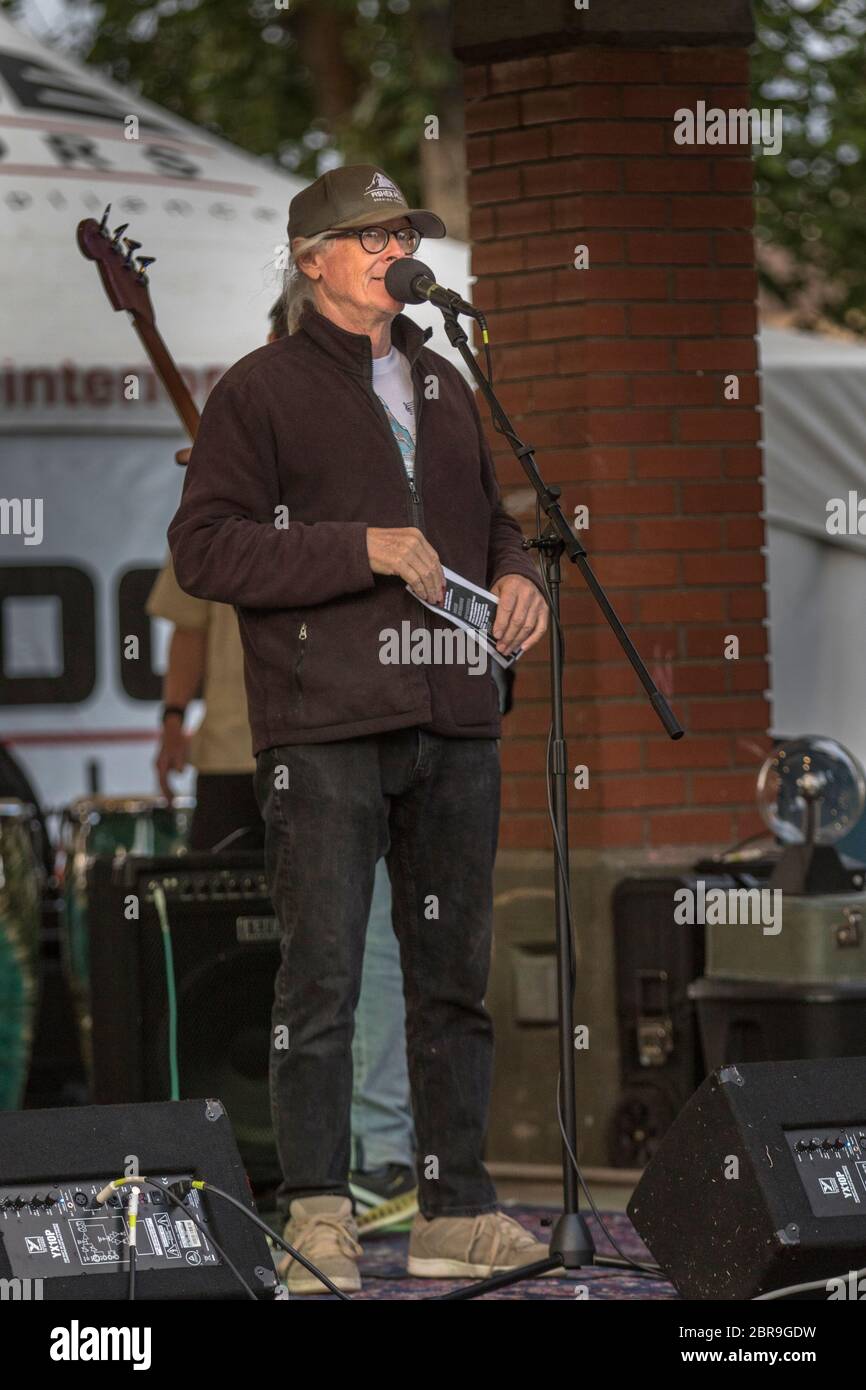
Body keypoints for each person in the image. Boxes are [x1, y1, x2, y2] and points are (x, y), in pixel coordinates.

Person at [168, 164, 549, 1294]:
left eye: (403, 233)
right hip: (326, 723)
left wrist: (520, 578)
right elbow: (207, 551)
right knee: (321, 981)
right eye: (370, 235)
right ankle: (320, 1217)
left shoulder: (442, 379)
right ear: (311, 260)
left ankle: (455, 1213)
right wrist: (361, 547)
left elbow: (494, 524)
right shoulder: (260, 389)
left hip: (453, 711)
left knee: (450, 981)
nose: (394, 249)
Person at [150, 299, 418, 1230]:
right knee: (282, 951)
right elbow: (187, 600)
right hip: (252, 732)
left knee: (363, 940)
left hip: (357, 714)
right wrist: (173, 717)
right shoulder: (248, 425)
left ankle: (382, 1156)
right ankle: (287, 1159)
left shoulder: (389, 418)